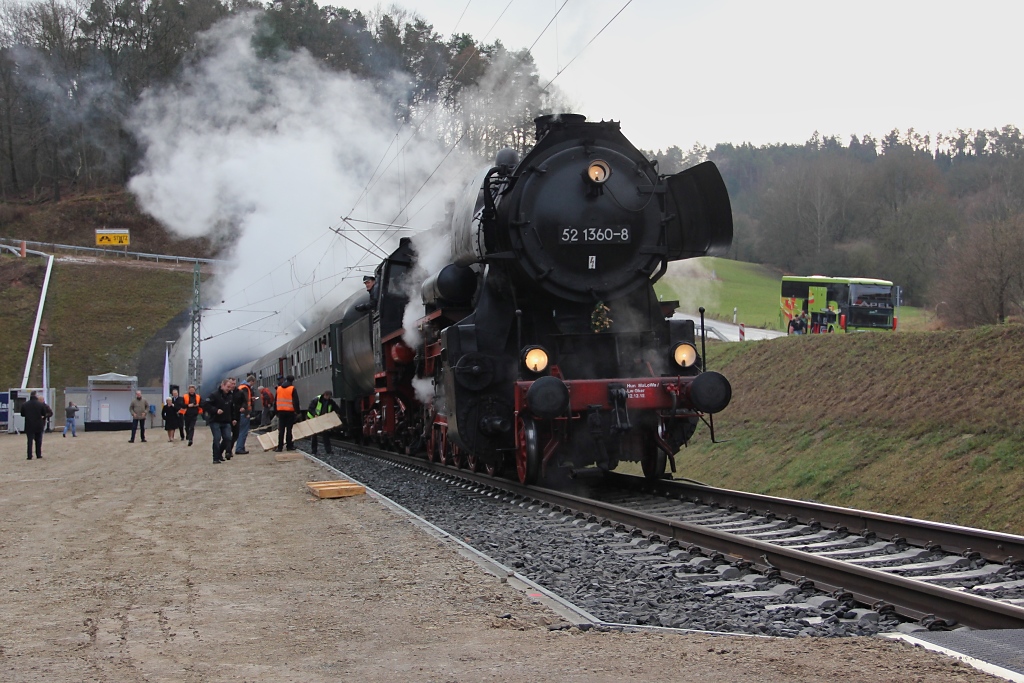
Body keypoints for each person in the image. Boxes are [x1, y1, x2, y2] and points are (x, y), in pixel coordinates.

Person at [201, 379, 236, 464]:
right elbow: (205, 405)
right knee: (217, 438)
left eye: (230, 387)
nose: (229, 389)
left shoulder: (230, 396)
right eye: (227, 387)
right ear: (222, 385)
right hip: (215, 420)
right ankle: (215, 458)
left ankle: (220, 453)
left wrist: (234, 418)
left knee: (228, 438)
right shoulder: (214, 395)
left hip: (226, 421)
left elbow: (232, 409)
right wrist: (215, 410)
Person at [20, 391, 53, 460]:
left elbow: (22, 414)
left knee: (29, 441)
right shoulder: (41, 405)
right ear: (36, 396)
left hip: (29, 424)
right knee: (38, 440)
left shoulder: (25, 404)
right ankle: (38, 454)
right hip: (38, 424)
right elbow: (44, 413)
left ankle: (29, 455)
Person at [306, 390, 340, 455]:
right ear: (325, 395)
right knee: (314, 436)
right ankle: (314, 451)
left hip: (323, 420)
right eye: (329, 396)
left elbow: (336, 408)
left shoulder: (330, 401)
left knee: (326, 435)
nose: (329, 398)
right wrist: (315, 414)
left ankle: (328, 451)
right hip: (314, 419)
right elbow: (310, 408)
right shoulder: (316, 400)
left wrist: (337, 413)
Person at [275, 375, 299, 452]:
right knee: (289, 430)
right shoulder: (292, 388)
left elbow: (275, 401)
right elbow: (296, 401)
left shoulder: (279, 389)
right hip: (290, 412)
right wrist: (297, 411)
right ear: (292, 381)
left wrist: (276, 412)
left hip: (281, 412)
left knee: (281, 430)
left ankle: (280, 447)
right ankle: (289, 446)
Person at [234, 375, 255, 455]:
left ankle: (240, 447)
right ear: (251, 381)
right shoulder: (245, 388)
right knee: (243, 431)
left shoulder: (241, 387)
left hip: (241, 412)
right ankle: (239, 448)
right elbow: (245, 401)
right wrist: (247, 413)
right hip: (244, 413)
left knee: (241, 431)